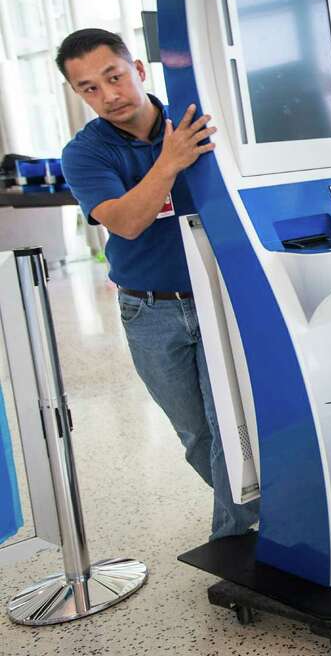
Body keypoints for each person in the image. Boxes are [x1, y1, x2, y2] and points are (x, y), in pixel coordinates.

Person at [57, 28, 257, 539]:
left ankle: (235, 539)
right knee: (195, 435)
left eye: (114, 77)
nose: (108, 95)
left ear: (139, 70)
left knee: (229, 427)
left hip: (219, 299)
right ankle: (254, 513)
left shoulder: (196, 121)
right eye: (89, 88)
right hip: (148, 311)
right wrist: (169, 162)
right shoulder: (85, 153)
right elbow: (126, 222)